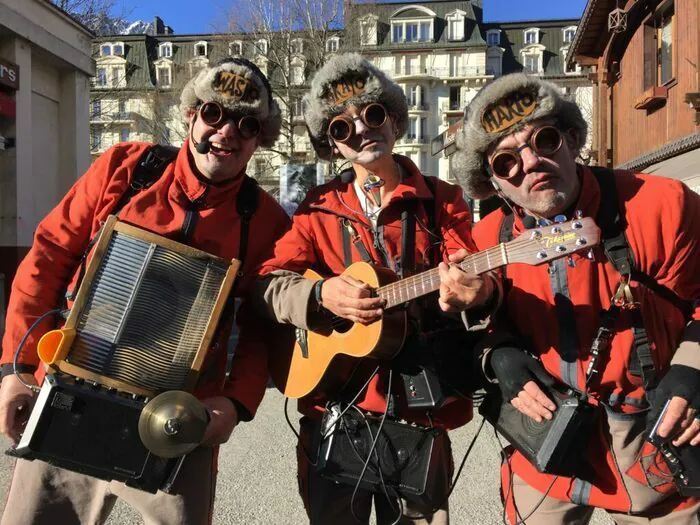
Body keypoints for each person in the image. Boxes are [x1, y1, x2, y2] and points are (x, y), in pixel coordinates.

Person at [0, 57, 290, 525]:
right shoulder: (126, 168)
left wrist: (234, 403)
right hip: (74, 391)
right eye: (214, 114)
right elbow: (48, 257)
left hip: (177, 421)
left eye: (247, 123)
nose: (227, 132)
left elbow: (260, 328)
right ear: (191, 115)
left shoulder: (266, 220)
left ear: (261, 138)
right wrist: (18, 367)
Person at [253, 53, 500, 525]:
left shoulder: (440, 201)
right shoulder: (315, 208)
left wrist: (473, 293)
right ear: (332, 144)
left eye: (372, 114)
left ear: (394, 119)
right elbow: (267, 284)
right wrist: (321, 297)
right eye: (342, 128)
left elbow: (471, 275)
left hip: (418, 412)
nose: (362, 130)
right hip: (333, 408)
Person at [452, 72, 700, 524]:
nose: (528, 163)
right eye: (505, 162)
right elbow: (481, 326)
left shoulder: (661, 203)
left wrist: (690, 375)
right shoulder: (487, 239)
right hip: (543, 454)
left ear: (570, 138)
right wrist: (498, 353)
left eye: (543, 140)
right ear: (493, 183)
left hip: (653, 445)